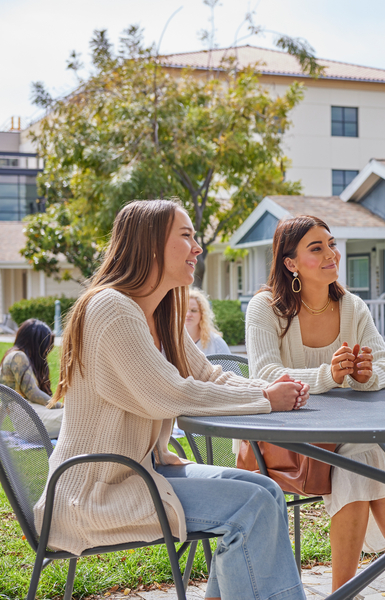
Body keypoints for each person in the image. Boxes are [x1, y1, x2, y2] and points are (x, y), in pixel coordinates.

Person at [33, 199, 310, 600]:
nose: (197, 248)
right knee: (251, 505)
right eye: (186, 236)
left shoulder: (161, 312)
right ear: (149, 246)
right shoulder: (110, 308)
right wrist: (267, 401)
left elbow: (209, 376)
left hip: (142, 473)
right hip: (96, 489)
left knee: (264, 491)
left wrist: (269, 390)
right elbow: (167, 393)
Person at [245, 216, 385, 599]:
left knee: (361, 456)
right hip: (281, 445)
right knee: (365, 455)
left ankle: (345, 590)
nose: (331, 254)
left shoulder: (352, 307)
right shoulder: (265, 308)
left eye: (331, 243)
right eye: (317, 248)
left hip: (343, 439)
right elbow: (265, 375)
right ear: (290, 263)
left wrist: (365, 376)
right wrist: (328, 375)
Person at [1, 318, 64, 437]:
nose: (46, 351)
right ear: (36, 342)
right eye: (45, 345)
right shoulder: (18, 356)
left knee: (76, 416)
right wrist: (62, 406)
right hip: (29, 421)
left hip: (30, 417)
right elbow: (33, 394)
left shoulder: (14, 355)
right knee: (76, 417)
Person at [186, 287, 231, 355]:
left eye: (194, 310)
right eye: (184, 310)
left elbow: (230, 365)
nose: (188, 314)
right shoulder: (171, 341)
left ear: (202, 314)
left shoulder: (216, 342)